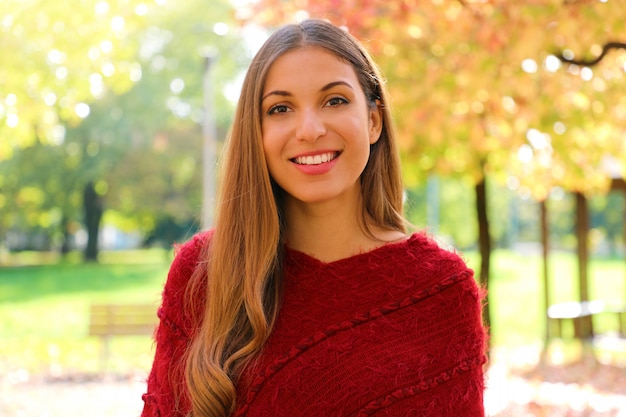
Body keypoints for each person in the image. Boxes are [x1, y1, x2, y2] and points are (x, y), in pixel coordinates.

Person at [141, 18, 487, 417]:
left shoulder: (441, 291)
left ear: (373, 120)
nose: (309, 129)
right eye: (280, 108)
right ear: (256, 133)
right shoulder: (204, 273)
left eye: (335, 101)